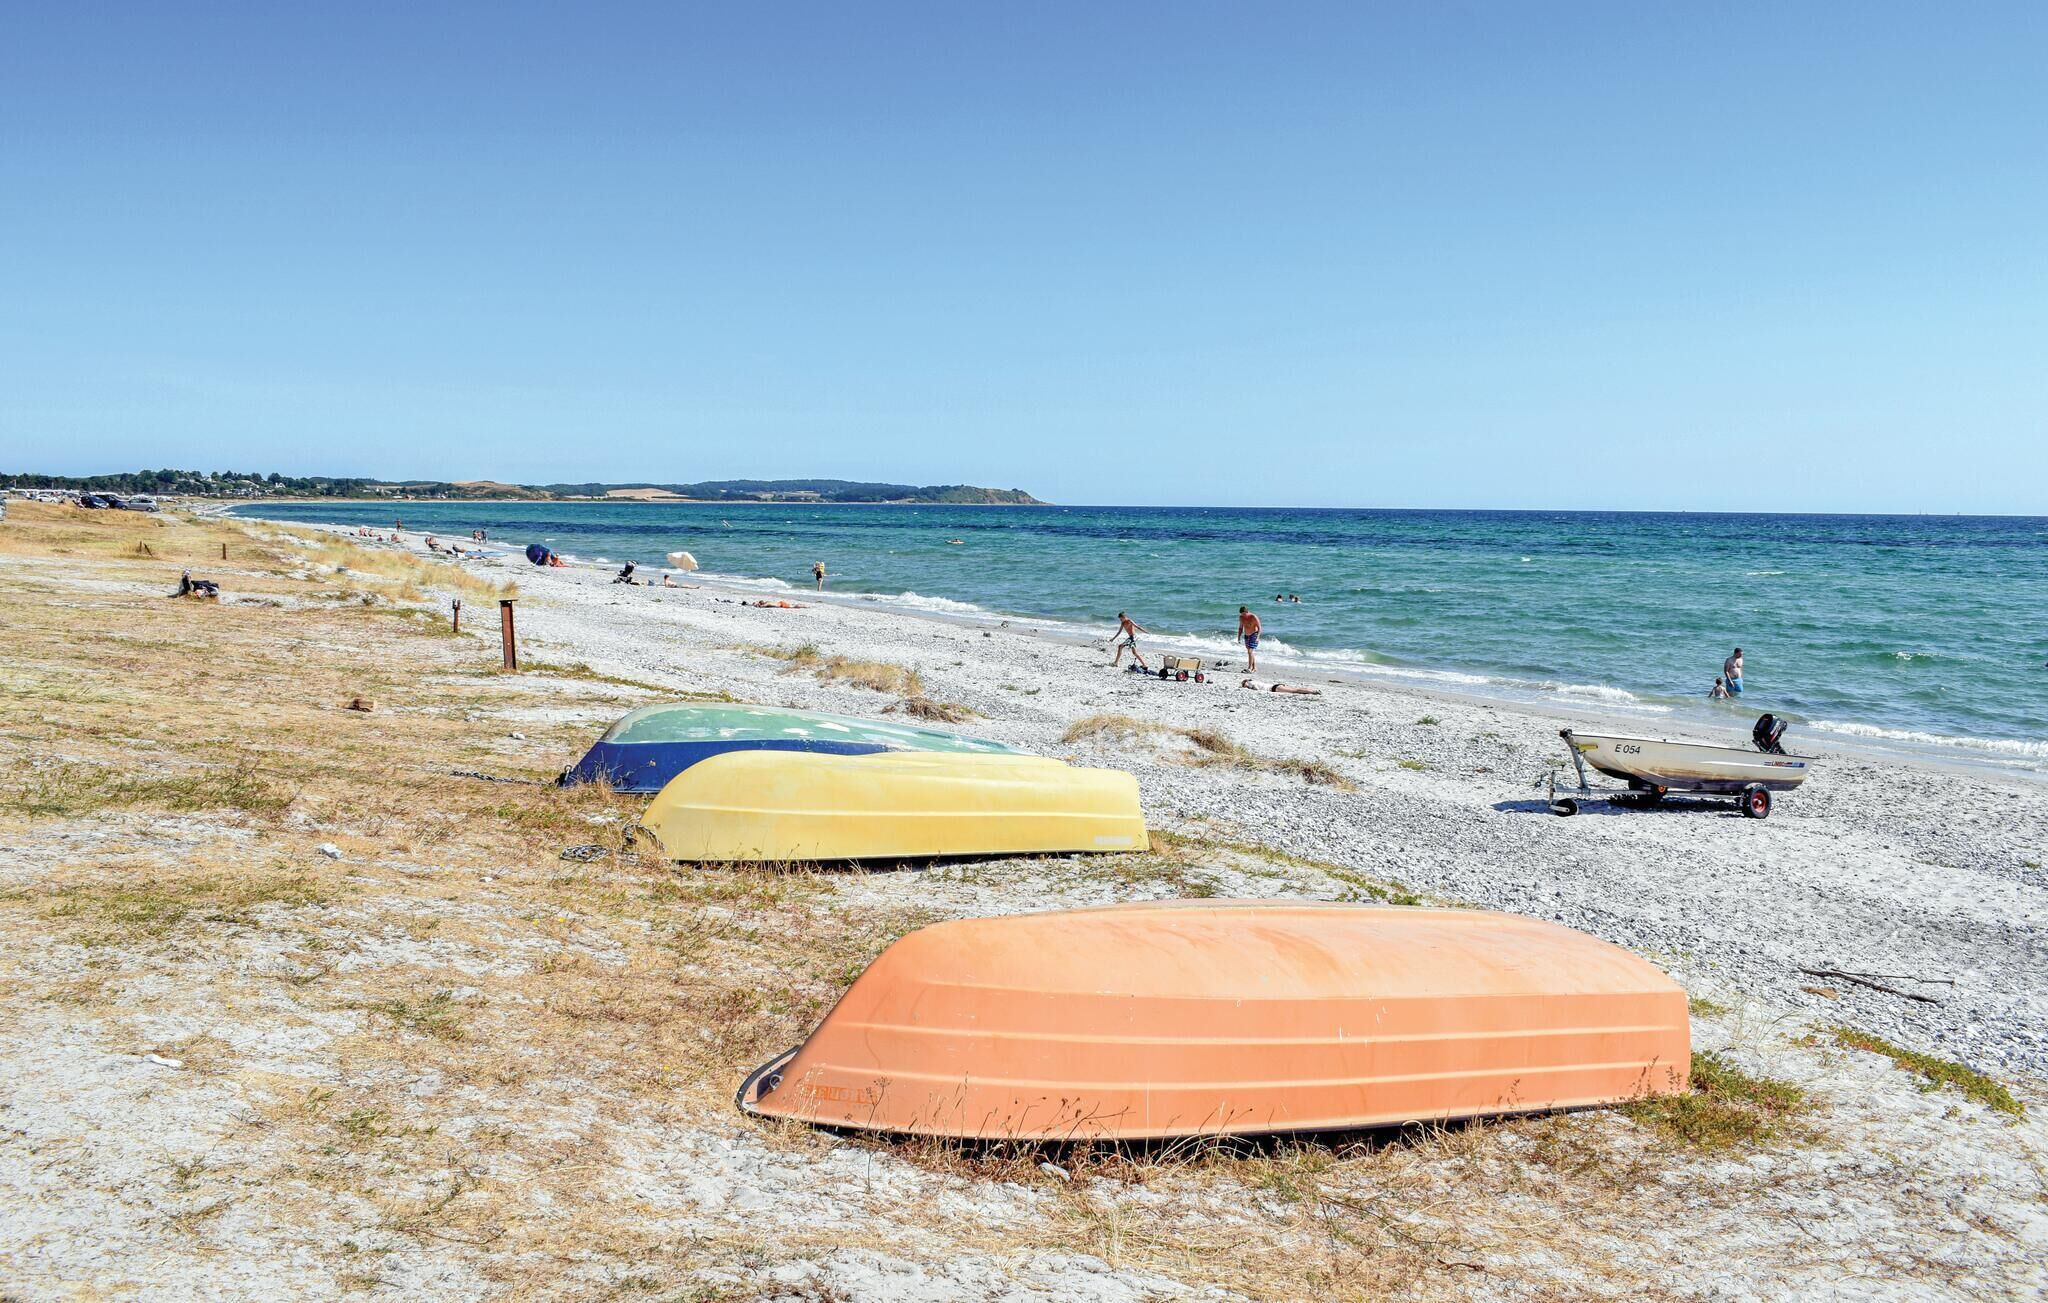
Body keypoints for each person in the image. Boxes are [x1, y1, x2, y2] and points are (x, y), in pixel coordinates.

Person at [1237, 605, 1262, 672]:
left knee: (1250, 651)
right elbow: (1240, 628)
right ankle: (1254, 668)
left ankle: (1249, 668)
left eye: (1244, 614)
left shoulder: (1253, 617)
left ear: (1247, 612)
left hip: (1254, 634)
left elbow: (1259, 628)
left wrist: (1258, 637)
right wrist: (1238, 637)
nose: (1243, 616)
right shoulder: (1241, 617)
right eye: (1242, 614)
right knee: (1250, 652)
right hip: (1246, 635)